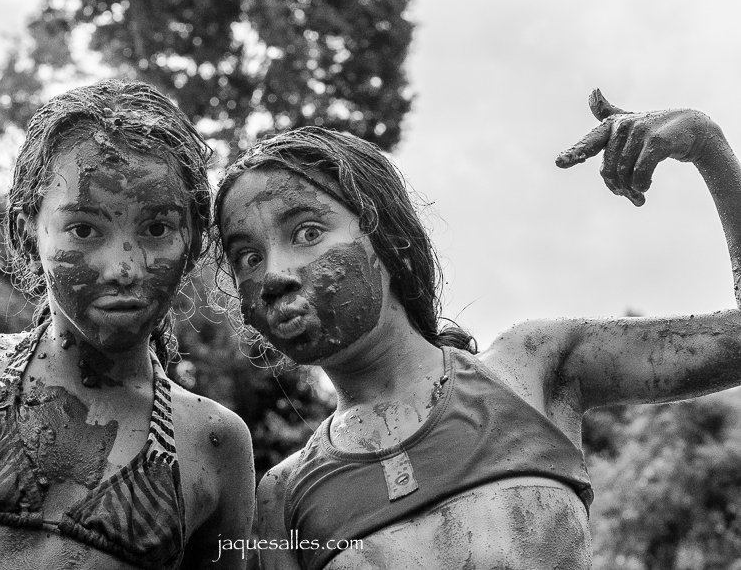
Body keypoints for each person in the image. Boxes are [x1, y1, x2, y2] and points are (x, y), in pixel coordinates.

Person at [213, 90, 741, 569]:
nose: (274, 274)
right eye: (247, 257)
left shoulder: (533, 368)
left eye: (307, 231)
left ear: (388, 240)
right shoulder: (280, 501)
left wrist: (708, 146)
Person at [0, 79, 254, 569]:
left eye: (157, 228)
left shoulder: (213, 441)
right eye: (84, 229)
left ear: (194, 242)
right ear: (24, 232)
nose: (123, 267)